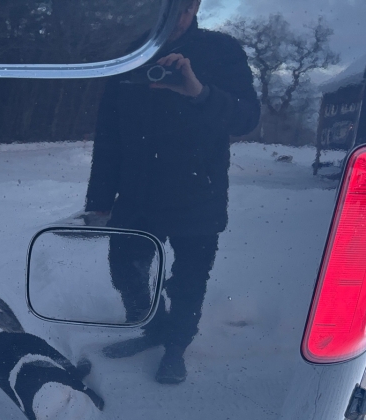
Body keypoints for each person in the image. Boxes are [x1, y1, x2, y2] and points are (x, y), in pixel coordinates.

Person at [86, 0, 260, 383]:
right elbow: (109, 135)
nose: (175, 18)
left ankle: (176, 349)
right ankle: (154, 329)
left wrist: (200, 92)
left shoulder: (221, 51)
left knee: (189, 282)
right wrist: (99, 200)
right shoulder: (132, 52)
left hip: (198, 192)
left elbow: (248, 118)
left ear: (195, 6)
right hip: (136, 193)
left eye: (183, 8)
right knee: (125, 270)